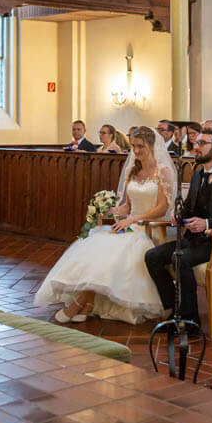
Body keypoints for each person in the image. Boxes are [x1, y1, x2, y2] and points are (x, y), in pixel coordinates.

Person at [35, 126, 175, 324]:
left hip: (149, 228)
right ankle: (88, 302)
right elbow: (128, 206)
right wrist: (113, 211)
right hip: (128, 224)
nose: (136, 151)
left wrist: (133, 219)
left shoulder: (164, 171)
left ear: (152, 145)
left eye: (141, 146)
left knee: (115, 252)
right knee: (96, 244)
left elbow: (162, 208)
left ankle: (82, 302)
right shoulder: (133, 170)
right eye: (133, 146)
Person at [144, 130, 212, 326]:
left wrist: (208, 224)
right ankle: (175, 310)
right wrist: (178, 215)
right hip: (195, 241)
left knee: (180, 258)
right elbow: (189, 207)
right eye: (196, 143)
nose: (196, 147)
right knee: (152, 257)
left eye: (202, 143)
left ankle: (190, 319)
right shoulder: (197, 175)